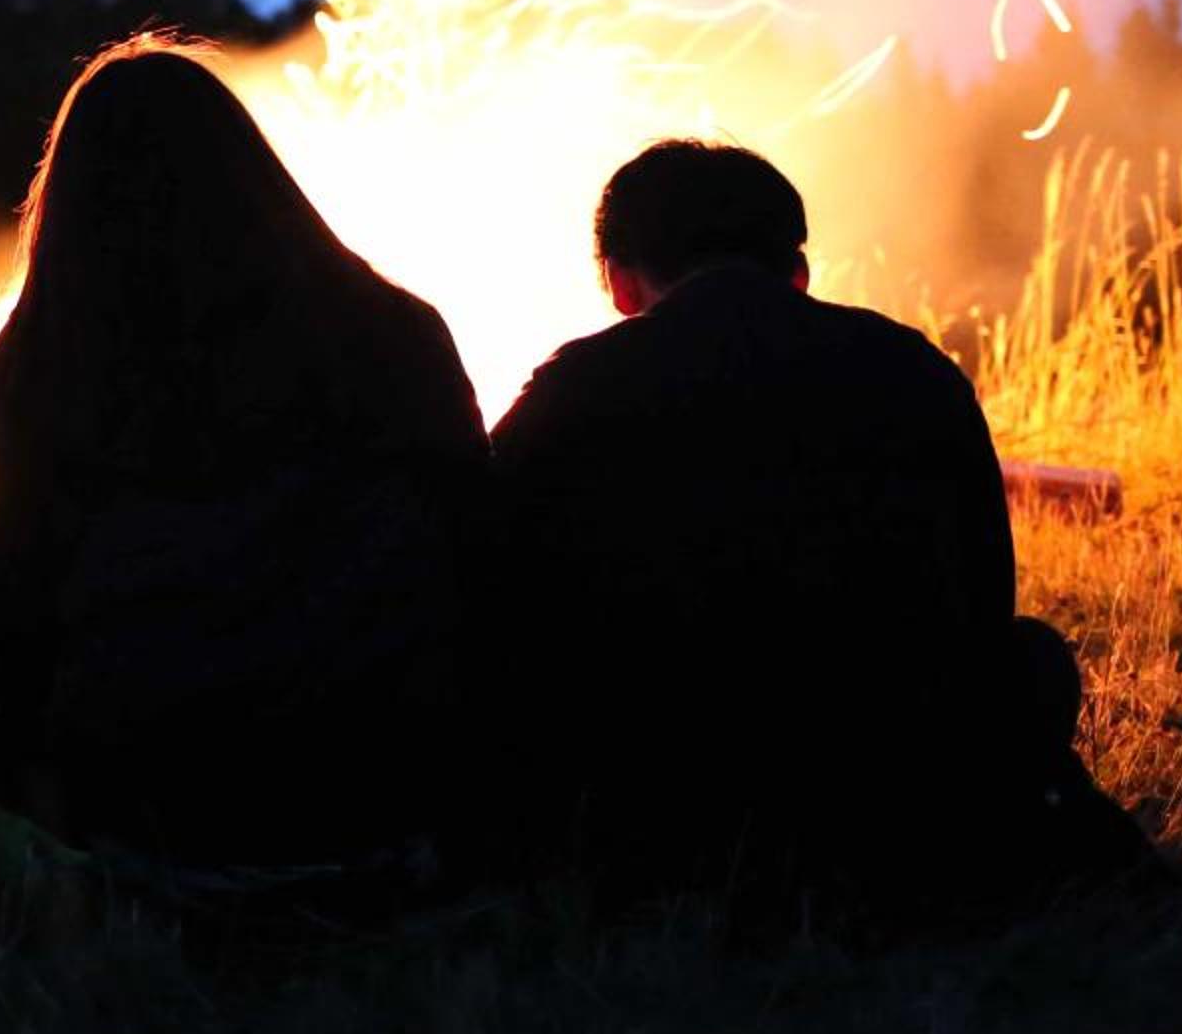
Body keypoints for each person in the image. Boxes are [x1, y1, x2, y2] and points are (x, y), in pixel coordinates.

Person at [481, 139, 1147, 925]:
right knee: (1032, 659)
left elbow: (488, 587)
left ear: (621, 282)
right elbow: (981, 597)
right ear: (797, 270)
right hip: (895, 785)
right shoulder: (914, 370)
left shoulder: (570, 390)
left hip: (654, 800)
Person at [0, 42, 487, 874]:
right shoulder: (397, 331)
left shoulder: (33, 376)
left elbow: (16, 662)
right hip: (385, 776)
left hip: (149, 796)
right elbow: (477, 549)